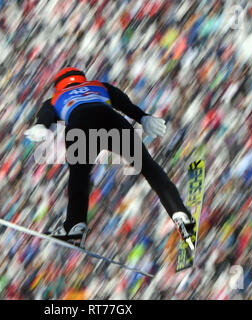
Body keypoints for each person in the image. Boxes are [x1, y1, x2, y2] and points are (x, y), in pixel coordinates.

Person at [25, 67, 195, 247]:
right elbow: (123, 103)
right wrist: (143, 118)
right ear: (81, 78)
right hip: (112, 120)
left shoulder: (55, 98)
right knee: (148, 166)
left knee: (79, 176)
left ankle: (75, 225)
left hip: (81, 126)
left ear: (58, 85)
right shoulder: (98, 85)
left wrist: (40, 125)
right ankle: (180, 214)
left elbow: (46, 114)